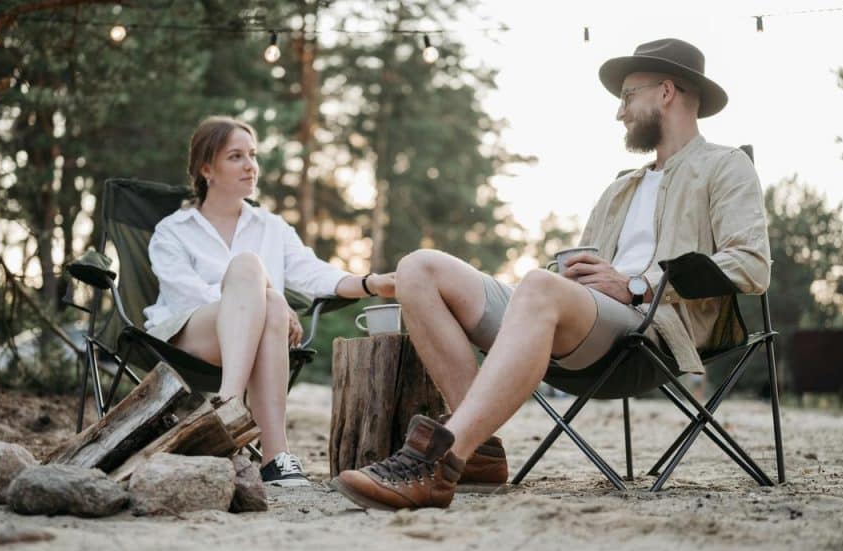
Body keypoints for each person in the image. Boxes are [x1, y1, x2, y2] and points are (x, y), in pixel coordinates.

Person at [330, 38, 771, 510]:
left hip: (653, 334)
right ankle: (475, 450)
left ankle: (437, 460)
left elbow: (751, 264)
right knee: (419, 267)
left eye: (626, 96)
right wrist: (569, 276)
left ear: (666, 91)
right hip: (580, 323)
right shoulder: (621, 188)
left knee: (540, 288)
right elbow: (573, 276)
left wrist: (637, 286)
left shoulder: (725, 167)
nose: (619, 113)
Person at [143, 116, 395, 487]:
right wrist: (265, 291)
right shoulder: (172, 230)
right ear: (206, 168)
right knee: (251, 272)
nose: (250, 166)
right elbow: (187, 295)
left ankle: (273, 455)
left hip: (261, 333)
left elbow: (312, 273)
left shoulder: (271, 227)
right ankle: (232, 408)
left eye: (253, 155)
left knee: (269, 300)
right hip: (189, 335)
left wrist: (370, 283)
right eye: (236, 156)